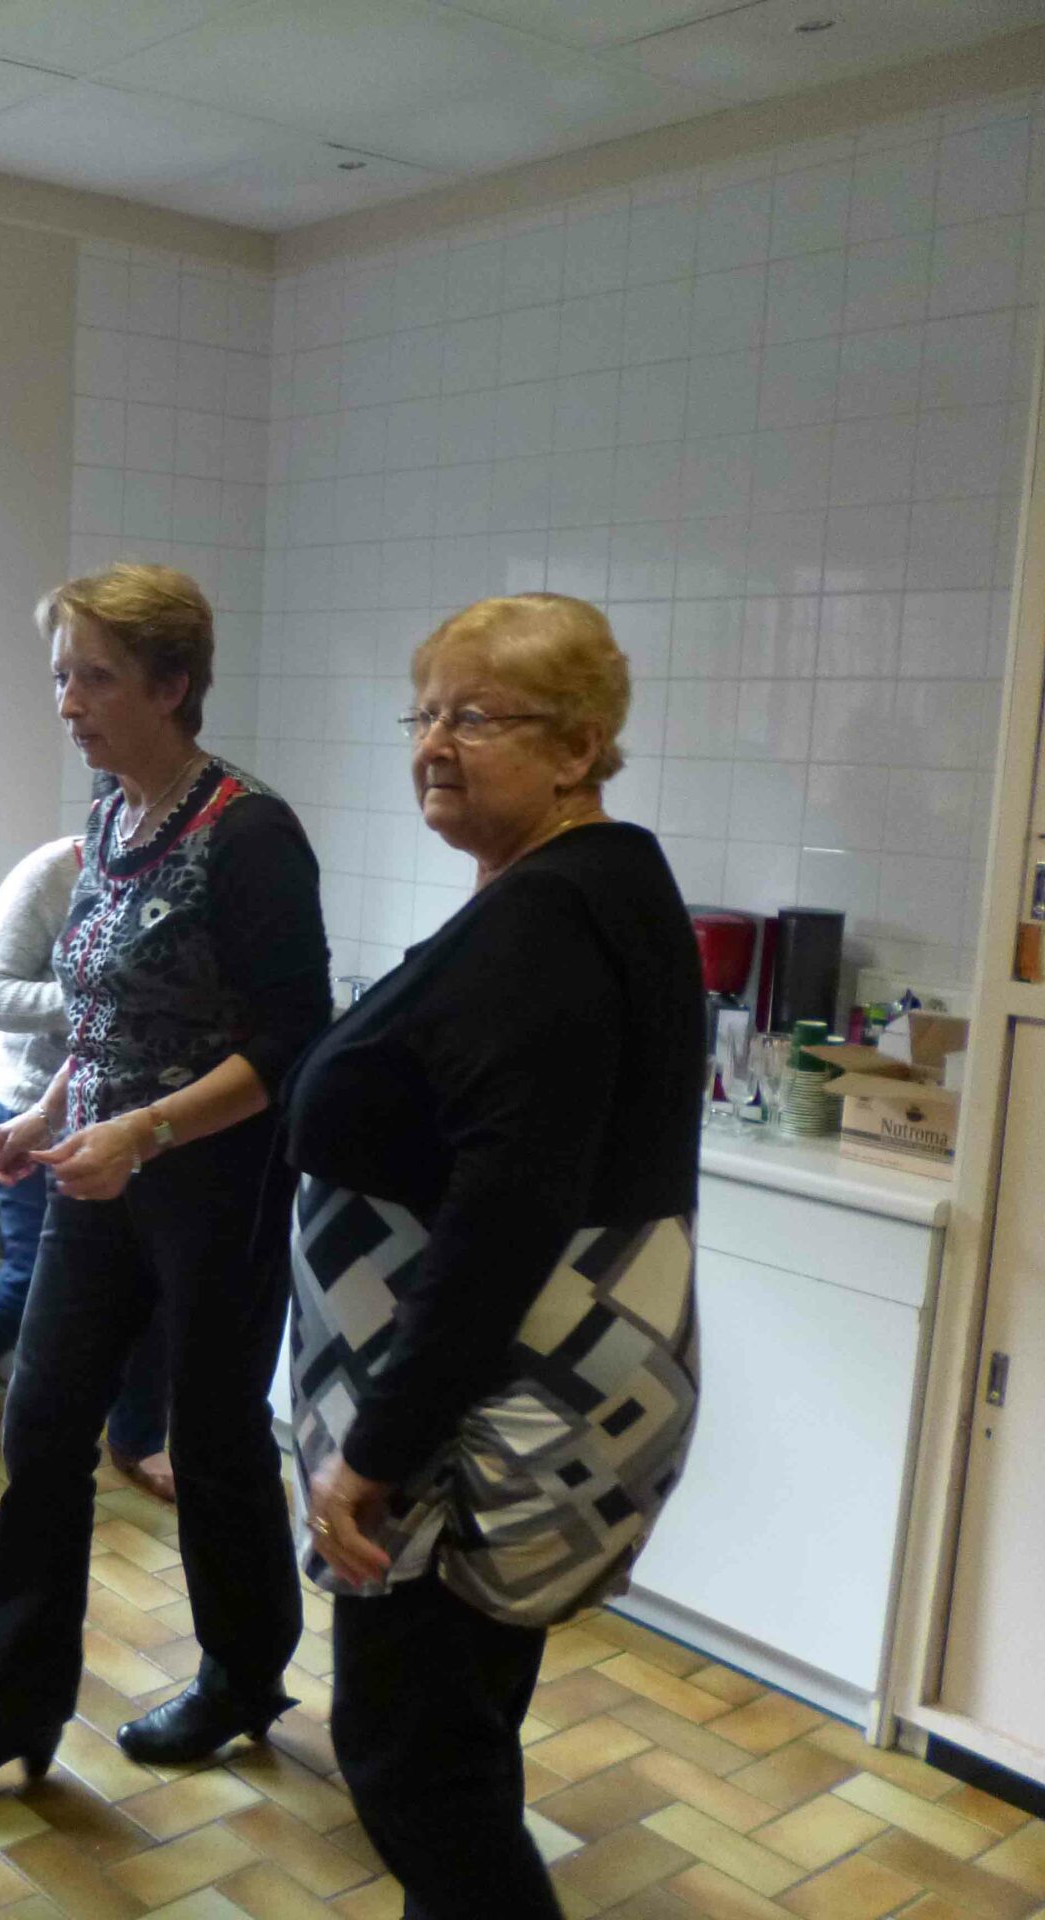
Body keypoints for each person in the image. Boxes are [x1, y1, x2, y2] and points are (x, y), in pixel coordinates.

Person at [284, 593, 703, 1918]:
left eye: (474, 717)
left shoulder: (547, 917)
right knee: (459, 1729)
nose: (432, 744)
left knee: (409, 1761)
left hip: (465, 1410)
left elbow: (503, 1220)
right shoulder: (587, 884)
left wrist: (375, 1453)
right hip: (495, 1391)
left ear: (577, 747)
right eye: (423, 714)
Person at [0, 563, 331, 1795]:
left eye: (93, 677)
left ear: (172, 683)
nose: (67, 702)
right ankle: (17, 1709)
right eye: (60, 676)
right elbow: (100, 1016)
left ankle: (241, 1676)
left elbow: (289, 1042)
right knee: (41, 1429)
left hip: (215, 1184)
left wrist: (139, 1132)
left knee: (216, 1438)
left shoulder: (249, 833)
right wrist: (46, 1114)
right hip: (95, 1176)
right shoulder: (106, 818)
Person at [0, 833, 175, 1502]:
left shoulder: (180, 872)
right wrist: (98, 998)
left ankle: (139, 1436)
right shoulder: (52, 873)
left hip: (139, 1115)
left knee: (153, 1281)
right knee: (32, 1277)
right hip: (31, 1104)